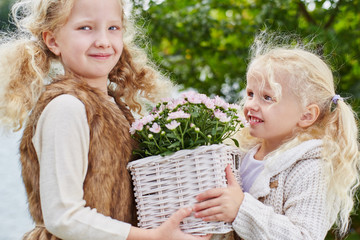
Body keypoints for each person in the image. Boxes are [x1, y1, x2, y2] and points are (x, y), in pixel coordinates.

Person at [0, 0, 212, 239]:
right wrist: (153, 237)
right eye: (85, 28)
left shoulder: (115, 106)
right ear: (53, 41)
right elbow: (63, 217)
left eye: (113, 28)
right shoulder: (66, 107)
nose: (103, 40)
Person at [194, 32, 360, 239]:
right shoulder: (240, 152)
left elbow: (303, 236)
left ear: (306, 115)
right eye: (250, 94)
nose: (251, 105)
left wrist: (241, 209)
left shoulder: (312, 168)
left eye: (267, 97)